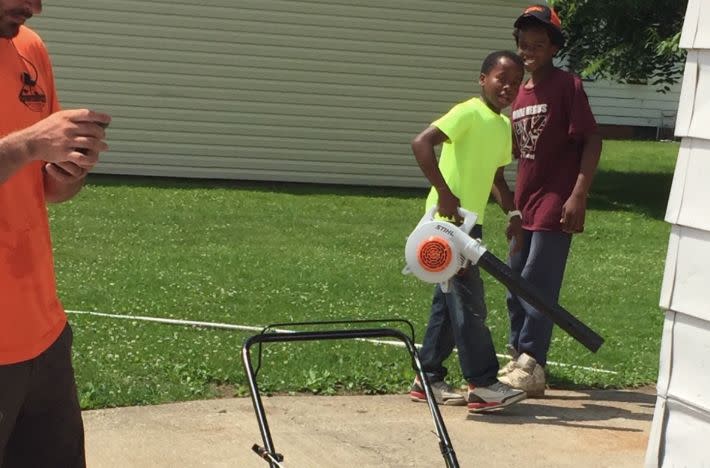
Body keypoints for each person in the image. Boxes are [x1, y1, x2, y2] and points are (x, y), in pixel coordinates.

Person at [0, 1, 111, 466]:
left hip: (43, 333)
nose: (35, 7)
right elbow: (25, 148)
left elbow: (45, 189)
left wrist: (68, 171)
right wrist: (28, 143)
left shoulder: (28, 47)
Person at [408, 50, 528, 413]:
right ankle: (484, 383)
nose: (507, 87)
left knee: (450, 302)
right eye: (500, 78)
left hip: (470, 225)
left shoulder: (503, 126)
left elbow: (495, 176)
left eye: (515, 82)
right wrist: (445, 194)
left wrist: (514, 210)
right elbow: (421, 143)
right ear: (482, 79)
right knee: (470, 304)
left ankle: (427, 378)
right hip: (447, 226)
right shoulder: (467, 112)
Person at [498, 4, 602, 397]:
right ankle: (518, 357)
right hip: (524, 205)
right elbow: (507, 155)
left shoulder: (567, 86)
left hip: (556, 201)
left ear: (553, 46)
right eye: (524, 41)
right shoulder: (518, 96)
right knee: (514, 282)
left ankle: (532, 362)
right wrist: (509, 203)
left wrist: (578, 195)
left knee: (537, 282)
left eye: (539, 42)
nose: (530, 48)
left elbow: (591, 140)